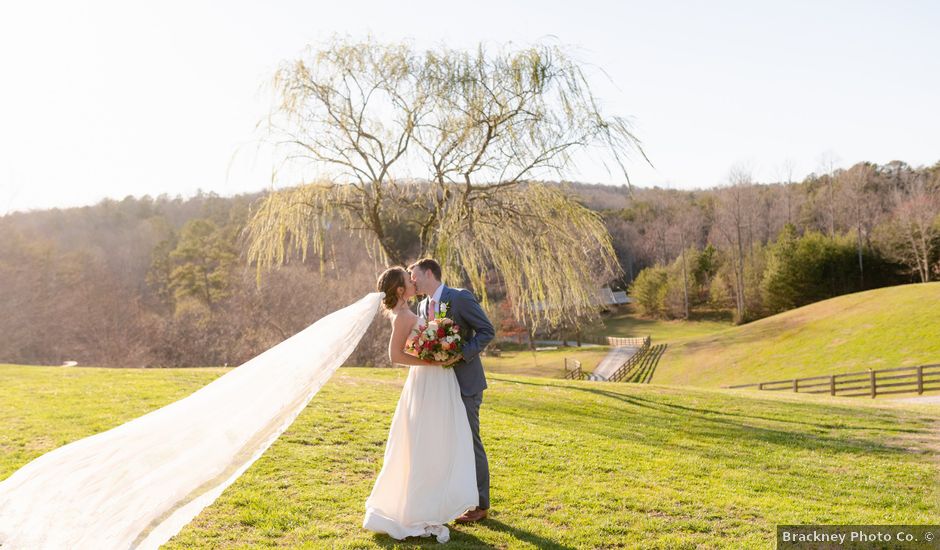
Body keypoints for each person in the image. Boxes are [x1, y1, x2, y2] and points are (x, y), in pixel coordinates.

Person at [362, 265, 480, 543]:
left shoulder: (410, 311)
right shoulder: (403, 316)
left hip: (435, 381)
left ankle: (435, 501)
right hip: (425, 382)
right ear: (401, 290)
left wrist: (440, 350)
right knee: (425, 442)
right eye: (408, 280)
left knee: (439, 440)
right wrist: (431, 360)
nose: (414, 282)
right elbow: (395, 355)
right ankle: (419, 507)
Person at [409, 258, 494, 524]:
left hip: (465, 383)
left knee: (470, 441)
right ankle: (453, 497)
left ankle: (480, 504)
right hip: (439, 386)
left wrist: (459, 355)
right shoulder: (423, 305)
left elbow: (486, 331)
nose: (412, 281)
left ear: (430, 273)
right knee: (446, 443)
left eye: (415, 276)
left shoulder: (459, 298)